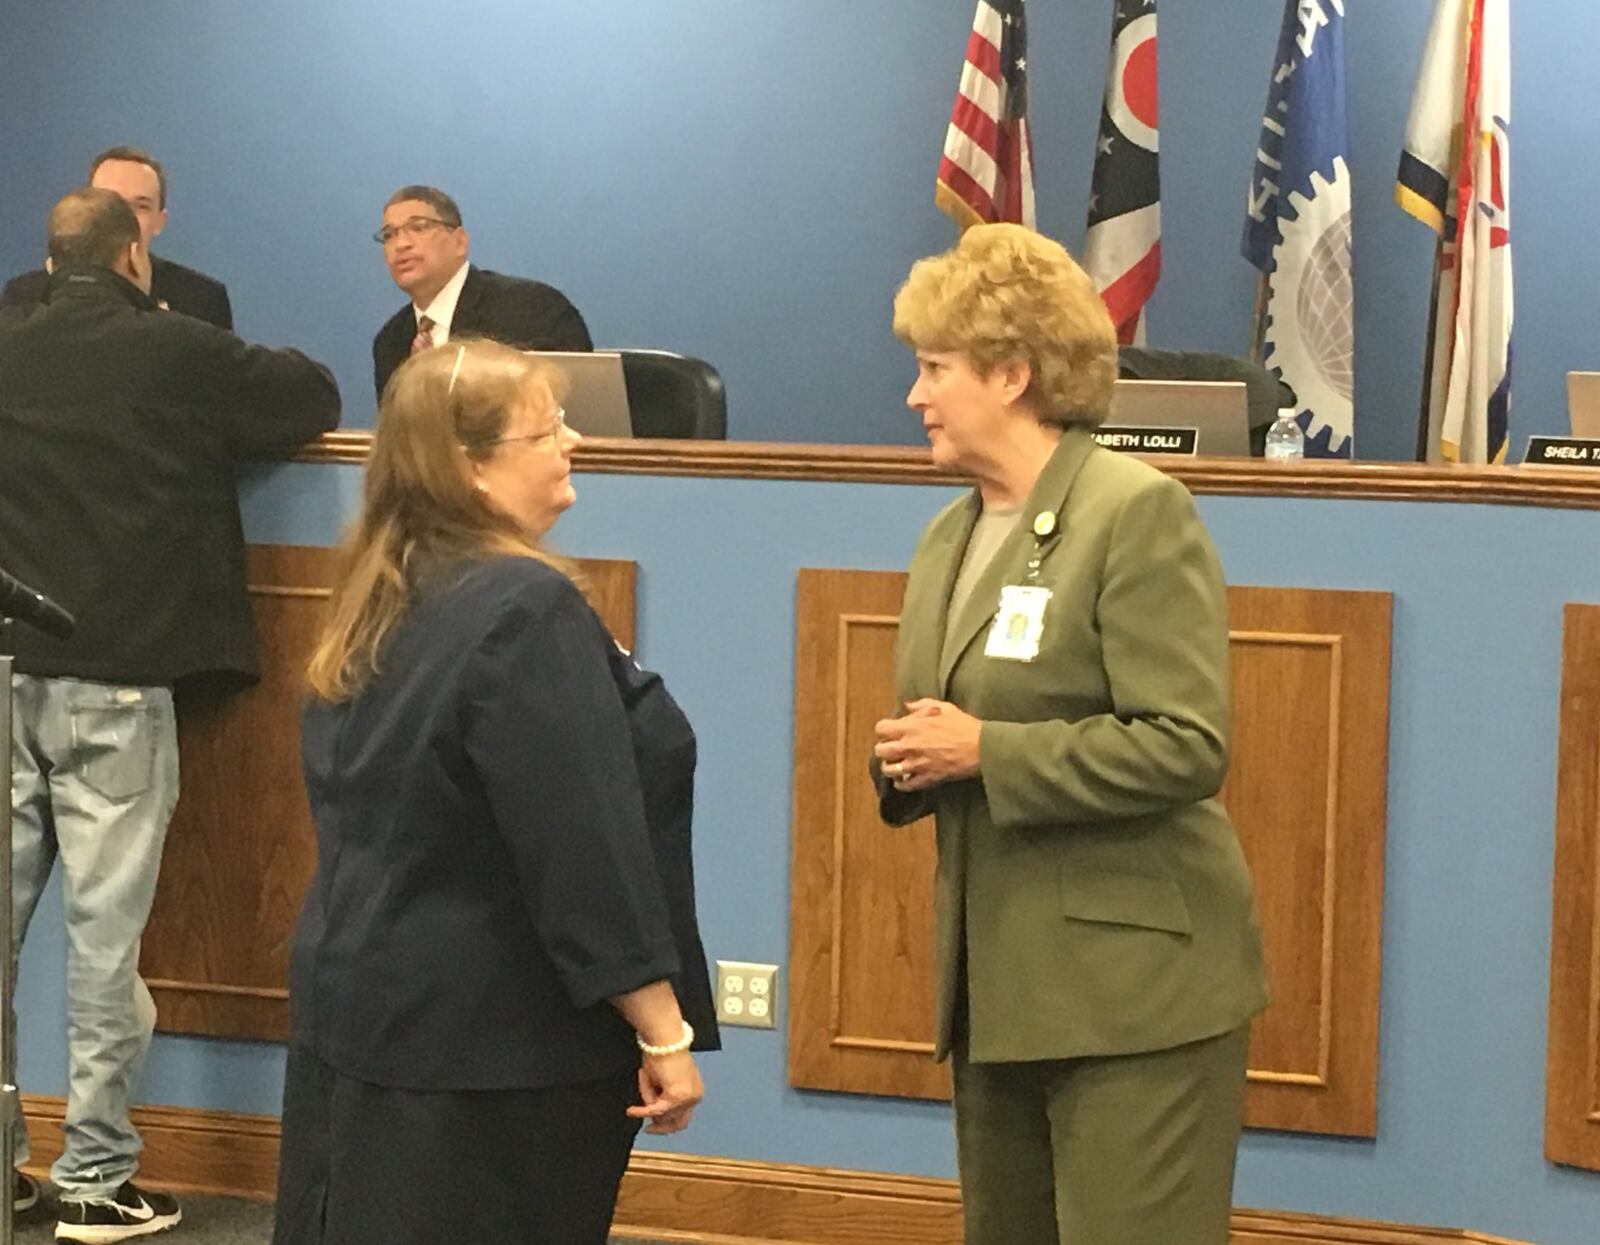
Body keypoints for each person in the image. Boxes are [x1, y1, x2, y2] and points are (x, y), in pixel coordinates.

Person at [872, 223, 1269, 1245]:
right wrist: (913, 760)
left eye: (933, 370)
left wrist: (985, 752)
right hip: (998, 985)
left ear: (1011, 373)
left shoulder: (1135, 513)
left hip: (1135, 993)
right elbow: (948, 721)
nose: (914, 397)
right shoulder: (946, 534)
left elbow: (1185, 742)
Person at [273, 338, 715, 1245]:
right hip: (497, 1041)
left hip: (364, 1011)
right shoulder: (524, 607)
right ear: (470, 468)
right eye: (547, 430)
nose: (573, 443)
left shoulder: (381, 594)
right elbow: (578, 844)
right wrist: (662, 1026)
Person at [0, 187, 340, 1241]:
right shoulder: (173, 347)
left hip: (7, 669)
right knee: (104, 947)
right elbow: (313, 396)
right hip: (118, 684)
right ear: (137, 255)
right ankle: (97, 1180)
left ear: (51, 265)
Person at [371, 185, 592, 399]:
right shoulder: (390, 342)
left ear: (460, 242)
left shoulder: (533, 309)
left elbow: (578, 408)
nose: (401, 244)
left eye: (418, 228)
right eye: (389, 235)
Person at [1, 146, 233, 329]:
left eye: (140, 206)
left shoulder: (203, 299)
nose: (122, 217)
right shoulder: (25, 296)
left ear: (160, 221)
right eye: (109, 201)